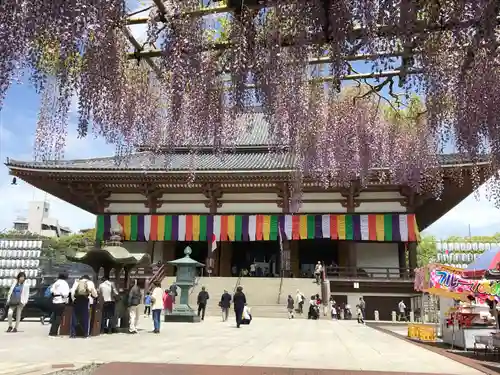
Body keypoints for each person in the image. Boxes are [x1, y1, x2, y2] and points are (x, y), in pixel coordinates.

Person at [49, 272, 70, 336]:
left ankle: (52, 331)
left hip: (54, 301)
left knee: (55, 317)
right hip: (61, 301)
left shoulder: (56, 282)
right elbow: (66, 293)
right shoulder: (64, 283)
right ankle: (54, 332)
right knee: (58, 317)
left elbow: (51, 290)